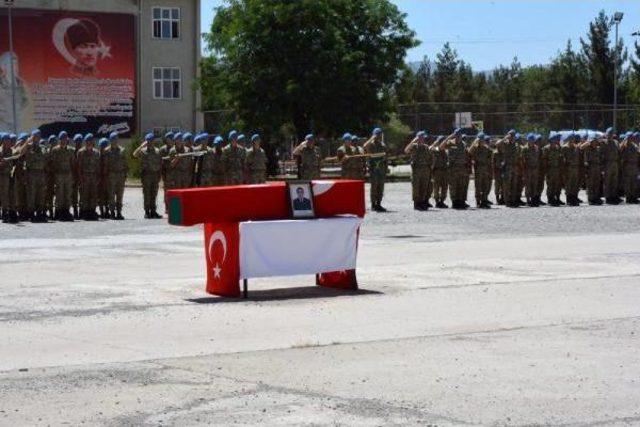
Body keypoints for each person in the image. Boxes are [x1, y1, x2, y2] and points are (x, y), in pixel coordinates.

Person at [20, 130, 48, 222]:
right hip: (31, 173)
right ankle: (31, 214)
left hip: (41, 173)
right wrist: (28, 141)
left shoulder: (43, 147)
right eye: (35, 136)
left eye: (39, 136)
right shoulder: (28, 147)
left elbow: (46, 158)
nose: (37, 138)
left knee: (41, 194)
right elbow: (20, 152)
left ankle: (40, 213)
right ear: (32, 137)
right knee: (31, 194)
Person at [133, 132, 163, 219]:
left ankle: (153, 211)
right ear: (146, 141)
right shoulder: (142, 151)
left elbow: (160, 164)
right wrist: (142, 146)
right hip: (146, 176)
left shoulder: (158, 151)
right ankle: (147, 212)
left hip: (155, 175)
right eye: (148, 141)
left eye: (151, 141)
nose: (150, 142)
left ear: (154, 141)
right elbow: (134, 154)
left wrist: (159, 175)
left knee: (154, 194)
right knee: (146, 194)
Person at [49, 131, 76, 221]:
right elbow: (52, 164)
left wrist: (73, 176)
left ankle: (66, 211)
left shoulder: (71, 150)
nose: (64, 141)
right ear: (59, 139)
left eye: (65, 139)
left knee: (67, 194)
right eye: (62, 139)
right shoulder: (55, 150)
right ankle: (59, 212)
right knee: (59, 194)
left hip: (68, 175)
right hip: (59, 175)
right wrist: (54, 175)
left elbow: (72, 163)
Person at [102, 132, 128, 219]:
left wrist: (125, 175)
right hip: (111, 175)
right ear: (110, 140)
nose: (114, 141)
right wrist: (105, 177)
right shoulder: (107, 151)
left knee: (120, 194)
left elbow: (125, 164)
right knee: (111, 194)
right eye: (113, 139)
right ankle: (112, 212)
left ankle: (119, 212)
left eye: (116, 139)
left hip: (120, 175)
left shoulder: (122, 150)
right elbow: (105, 165)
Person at [404, 131, 433, 210]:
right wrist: (413, 141)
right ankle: (416, 204)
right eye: (422, 137)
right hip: (416, 170)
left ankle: (422, 202)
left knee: (424, 187)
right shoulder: (414, 146)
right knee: (416, 187)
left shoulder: (426, 147)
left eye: (424, 138)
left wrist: (430, 168)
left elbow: (431, 158)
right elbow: (406, 150)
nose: (423, 139)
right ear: (418, 138)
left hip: (425, 170)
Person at [442, 128, 470, 209]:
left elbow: (467, 154)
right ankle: (454, 202)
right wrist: (448, 137)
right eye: (456, 135)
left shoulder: (463, 144)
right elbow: (441, 147)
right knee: (453, 186)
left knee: (461, 186)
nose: (458, 137)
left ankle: (460, 201)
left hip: (462, 168)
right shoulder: (450, 143)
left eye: (459, 135)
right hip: (453, 169)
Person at [77, 134, 101, 220]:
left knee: (93, 194)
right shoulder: (81, 152)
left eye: (90, 141)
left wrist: (98, 177)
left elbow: (98, 166)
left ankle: (92, 211)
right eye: (87, 141)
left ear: (93, 142)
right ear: (85, 142)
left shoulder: (96, 152)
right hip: (85, 176)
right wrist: (80, 178)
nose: (89, 143)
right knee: (85, 195)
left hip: (94, 176)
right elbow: (79, 167)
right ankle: (85, 212)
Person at [363, 127, 388, 212]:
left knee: (380, 187)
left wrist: (386, 168)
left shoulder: (382, 145)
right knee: (374, 187)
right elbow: (364, 146)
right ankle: (373, 204)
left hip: (381, 169)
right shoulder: (371, 144)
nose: (379, 136)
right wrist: (372, 138)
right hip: (374, 169)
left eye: (380, 134)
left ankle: (379, 203)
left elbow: (385, 157)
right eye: (377, 134)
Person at [468, 132, 493, 208]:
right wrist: (474, 142)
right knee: (478, 186)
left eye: (483, 139)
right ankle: (478, 201)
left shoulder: (486, 148)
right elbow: (469, 152)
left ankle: (484, 200)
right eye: (481, 139)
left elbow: (490, 156)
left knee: (485, 186)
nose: (482, 141)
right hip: (478, 169)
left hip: (485, 169)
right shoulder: (475, 148)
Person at [497, 129, 520, 207]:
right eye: (511, 136)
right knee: (507, 185)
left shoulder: (516, 145)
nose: (512, 137)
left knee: (514, 185)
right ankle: (507, 201)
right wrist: (505, 138)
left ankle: (513, 200)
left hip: (514, 167)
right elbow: (497, 144)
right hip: (507, 167)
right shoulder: (505, 144)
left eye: (513, 136)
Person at [580, 135, 603, 205]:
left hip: (597, 168)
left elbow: (600, 159)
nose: (594, 143)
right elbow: (581, 147)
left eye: (595, 142)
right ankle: (591, 198)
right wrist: (588, 142)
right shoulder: (587, 149)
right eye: (593, 142)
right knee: (590, 184)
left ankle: (596, 197)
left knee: (597, 183)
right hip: (590, 168)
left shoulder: (598, 149)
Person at [601, 127, 621, 204]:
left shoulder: (616, 142)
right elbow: (601, 154)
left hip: (615, 163)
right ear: (606, 134)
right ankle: (608, 197)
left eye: (611, 134)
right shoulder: (604, 142)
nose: (610, 135)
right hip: (607, 163)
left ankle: (614, 196)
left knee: (614, 181)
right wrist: (602, 167)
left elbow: (619, 153)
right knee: (607, 181)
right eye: (609, 134)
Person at [542, 133, 563, 206]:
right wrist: (546, 170)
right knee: (550, 185)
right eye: (554, 140)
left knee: (556, 184)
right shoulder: (546, 148)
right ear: (550, 140)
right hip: (549, 169)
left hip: (557, 169)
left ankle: (555, 198)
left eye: (556, 140)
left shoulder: (557, 148)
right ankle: (550, 199)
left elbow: (560, 158)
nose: (556, 141)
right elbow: (544, 160)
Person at [561, 133, 582, 206]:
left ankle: (574, 198)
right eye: (570, 139)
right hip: (568, 168)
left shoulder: (576, 148)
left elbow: (579, 158)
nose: (572, 140)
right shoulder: (564, 148)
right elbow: (562, 160)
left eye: (573, 139)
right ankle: (569, 199)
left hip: (576, 168)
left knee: (575, 184)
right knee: (569, 184)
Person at [0, 133, 17, 223]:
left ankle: (11, 211)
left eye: (9, 140)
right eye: (7, 140)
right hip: (2, 176)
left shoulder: (10, 151)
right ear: (3, 141)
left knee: (11, 194)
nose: (9, 142)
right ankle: (4, 212)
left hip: (10, 175)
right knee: (4, 195)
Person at [520, 133, 541, 207]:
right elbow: (522, 160)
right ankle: (528, 200)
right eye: (530, 140)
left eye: (533, 140)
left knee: (534, 184)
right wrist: (524, 170)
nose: (532, 142)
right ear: (528, 140)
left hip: (535, 169)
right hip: (528, 169)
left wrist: (537, 168)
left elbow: (538, 159)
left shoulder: (536, 148)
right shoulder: (524, 149)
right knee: (528, 185)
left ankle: (534, 199)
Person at [620, 131, 639, 204]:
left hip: (634, 166)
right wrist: (625, 140)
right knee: (628, 183)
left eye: (632, 137)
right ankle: (628, 197)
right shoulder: (624, 145)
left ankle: (633, 197)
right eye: (630, 137)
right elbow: (620, 149)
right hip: (627, 166)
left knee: (634, 182)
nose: (632, 138)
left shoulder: (634, 145)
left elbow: (638, 151)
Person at [431, 135, 448, 208]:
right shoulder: (435, 149)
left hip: (445, 171)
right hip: (437, 171)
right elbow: (430, 149)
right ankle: (437, 202)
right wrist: (435, 143)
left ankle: (442, 201)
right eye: (440, 141)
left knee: (444, 187)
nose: (443, 143)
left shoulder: (445, 151)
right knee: (436, 187)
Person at [71, 133, 83, 219]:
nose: (78, 143)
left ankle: (82, 211)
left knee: (83, 194)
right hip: (74, 176)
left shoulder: (84, 152)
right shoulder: (72, 152)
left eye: (80, 141)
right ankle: (75, 211)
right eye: (77, 142)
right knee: (74, 195)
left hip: (83, 176)